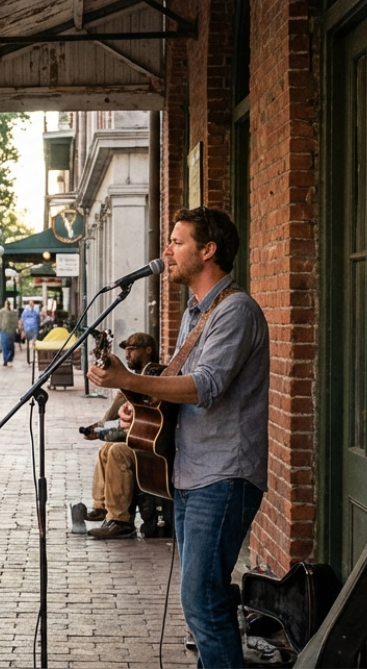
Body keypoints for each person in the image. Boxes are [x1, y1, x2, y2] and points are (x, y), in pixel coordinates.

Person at [88, 207, 269, 669]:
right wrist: (137, 400)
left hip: (224, 474)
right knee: (201, 603)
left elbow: (204, 386)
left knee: (203, 601)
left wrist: (134, 379)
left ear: (207, 251)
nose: (166, 251)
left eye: (177, 242)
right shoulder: (194, 313)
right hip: (190, 472)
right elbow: (176, 382)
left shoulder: (237, 311)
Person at [84, 332, 158, 540]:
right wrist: (98, 428)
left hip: (153, 443)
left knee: (117, 450)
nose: (127, 354)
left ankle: (121, 520)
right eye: (125, 350)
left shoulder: (154, 376)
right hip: (139, 437)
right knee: (105, 448)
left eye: (132, 350)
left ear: (148, 350)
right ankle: (102, 507)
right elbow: (112, 415)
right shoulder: (133, 379)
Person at [0, 300, 19, 366]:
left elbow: (15, 321)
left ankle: (8, 358)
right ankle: (6, 359)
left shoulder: (12, 312)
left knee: (10, 346)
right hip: (4, 330)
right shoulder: (2, 311)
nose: (7, 305)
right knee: (5, 346)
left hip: (10, 331)